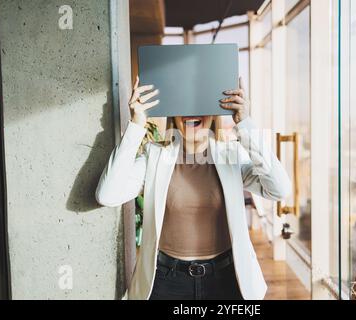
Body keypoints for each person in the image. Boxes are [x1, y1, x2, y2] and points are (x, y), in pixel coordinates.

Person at [95, 76, 291, 300]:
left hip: (227, 279)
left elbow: (279, 189)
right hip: (166, 281)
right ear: (173, 113)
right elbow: (107, 195)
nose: (191, 112)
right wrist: (136, 124)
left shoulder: (232, 156)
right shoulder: (154, 157)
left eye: (199, 103)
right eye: (183, 104)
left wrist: (245, 123)